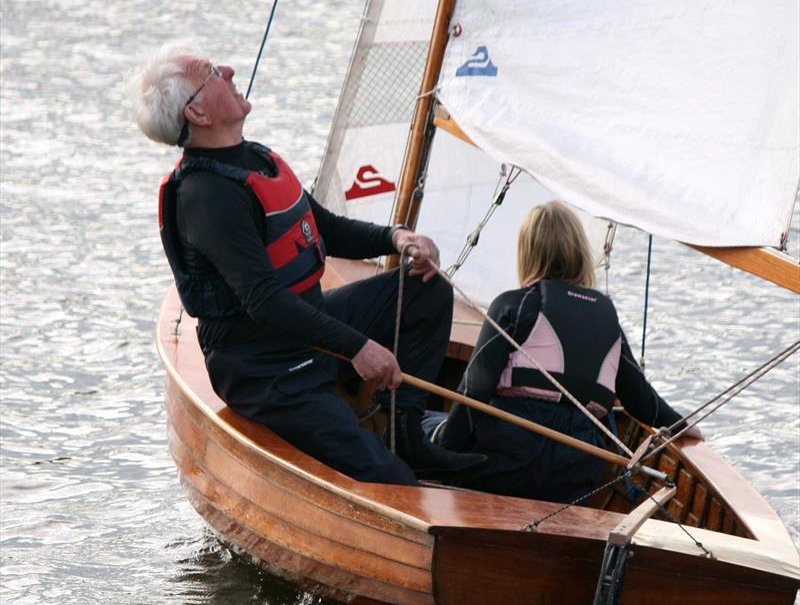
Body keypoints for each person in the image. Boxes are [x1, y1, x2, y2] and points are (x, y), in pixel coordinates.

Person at [132, 42, 485, 485]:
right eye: (212, 72)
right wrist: (357, 346)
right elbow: (264, 301)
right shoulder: (207, 197)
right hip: (264, 368)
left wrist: (394, 236)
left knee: (424, 287)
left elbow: (323, 227)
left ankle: (407, 434)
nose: (229, 68)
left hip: (306, 325)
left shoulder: (255, 157)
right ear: (197, 114)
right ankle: (391, 460)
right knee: (390, 481)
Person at [429, 201, 701, 503]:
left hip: (507, 462)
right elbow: (642, 402)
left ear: (527, 253)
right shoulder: (607, 322)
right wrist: (683, 425)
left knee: (420, 424)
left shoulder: (512, 306)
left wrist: (444, 455)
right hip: (575, 474)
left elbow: (474, 391)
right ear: (579, 252)